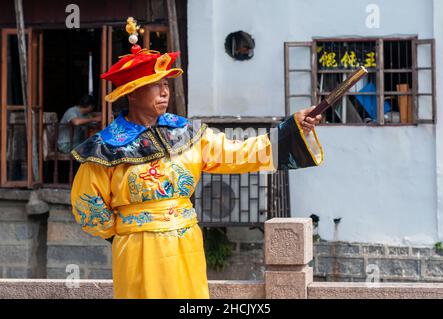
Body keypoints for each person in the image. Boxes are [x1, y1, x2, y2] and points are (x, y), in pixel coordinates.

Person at [70, 18, 324, 299]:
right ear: (131, 93)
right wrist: (129, 229)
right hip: (137, 248)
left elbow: (240, 153)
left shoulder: (186, 132)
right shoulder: (105, 148)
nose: (165, 91)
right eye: (155, 85)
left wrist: (293, 128)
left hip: (186, 242)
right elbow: (88, 206)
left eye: (166, 83)